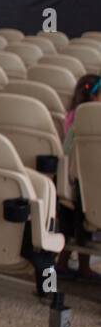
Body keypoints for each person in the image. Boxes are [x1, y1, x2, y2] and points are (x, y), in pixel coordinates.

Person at [59, 73, 101, 281]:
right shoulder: (91, 122)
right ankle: (82, 267)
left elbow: (65, 150)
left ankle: (64, 264)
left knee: (73, 227)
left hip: (74, 183)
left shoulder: (72, 117)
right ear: (94, 97)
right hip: (89, 184)